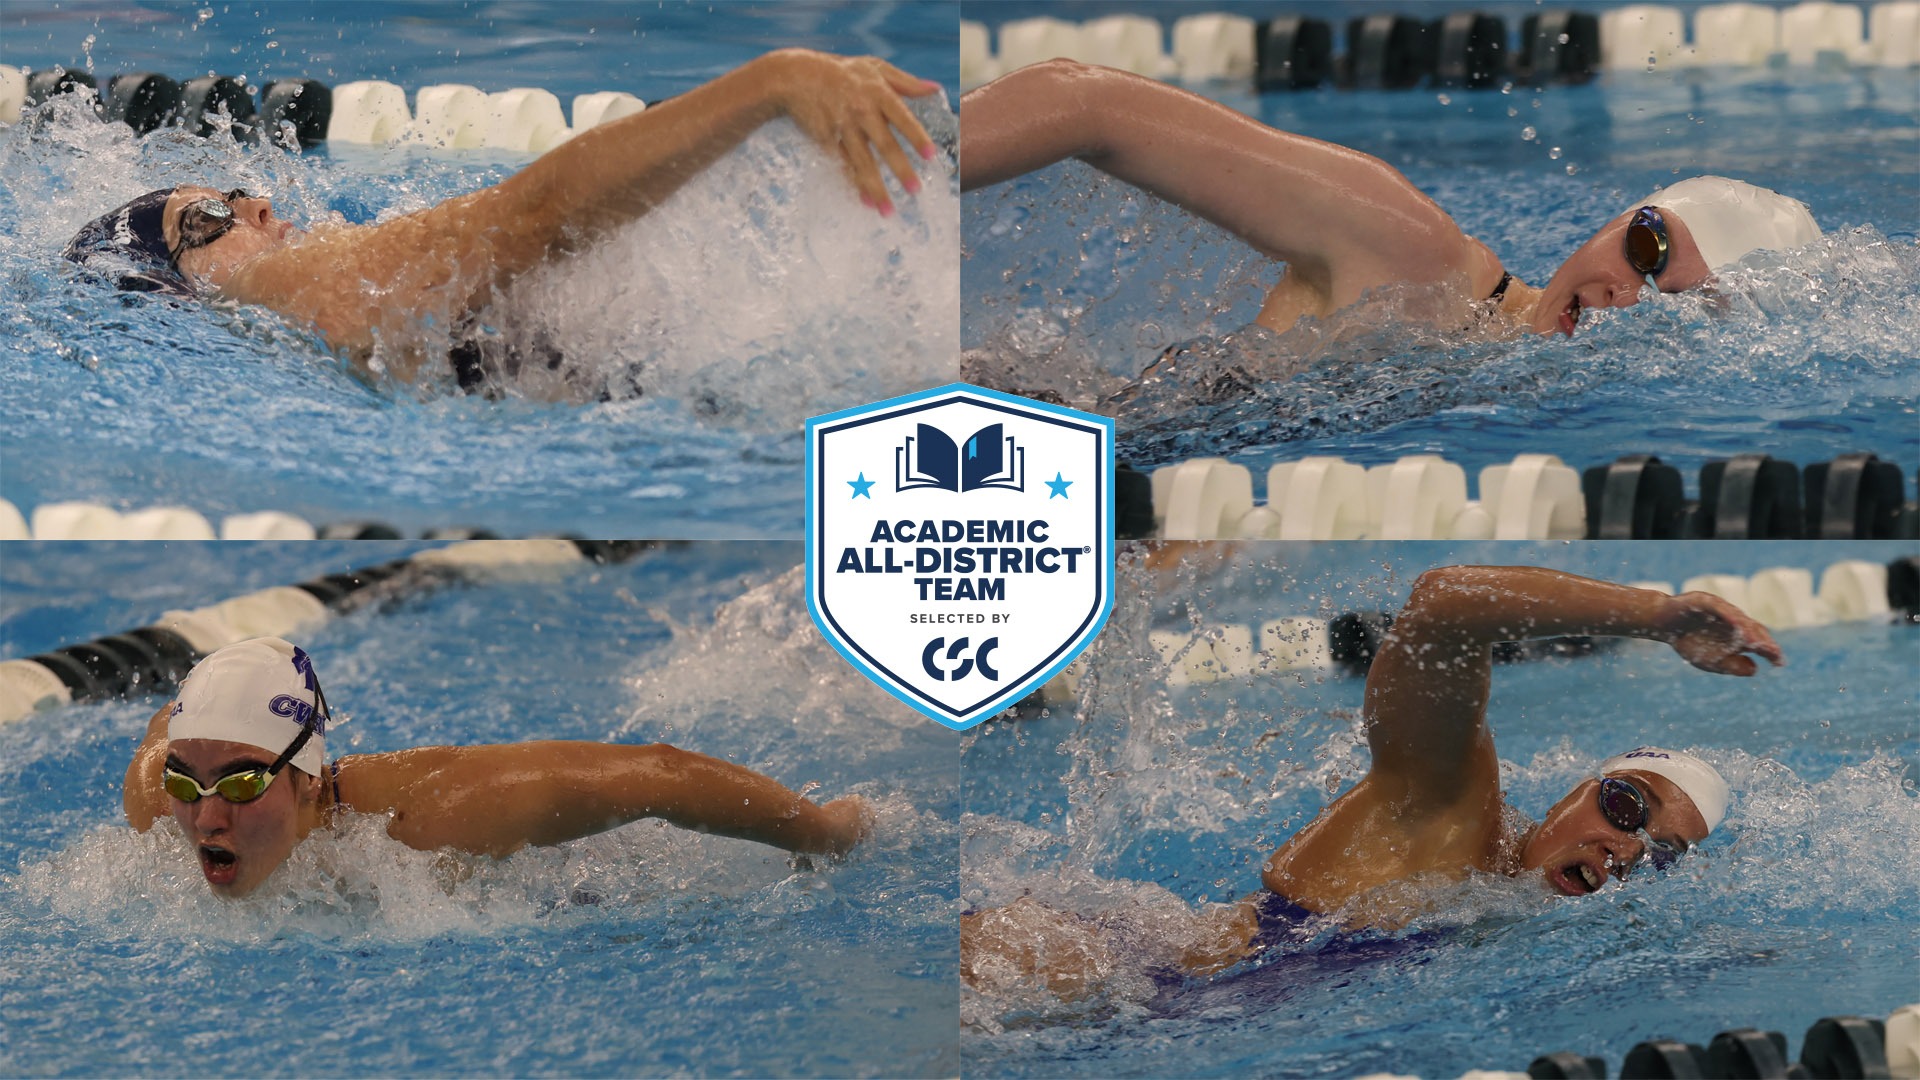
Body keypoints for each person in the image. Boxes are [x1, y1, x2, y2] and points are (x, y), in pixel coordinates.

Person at [961, 565, 1784, 994]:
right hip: (1077, 972)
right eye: (1624, 805)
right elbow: (1443, 605)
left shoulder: (1507, 899)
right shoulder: (1449, 805)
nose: (1623, 848)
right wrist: (1651, 614)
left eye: (1658, 854)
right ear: (1575, 790)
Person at [63, 49, 941, 389]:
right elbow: (535, 214)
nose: (258, 204)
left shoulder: (293, 325)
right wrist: (772, 82)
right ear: (176, 285)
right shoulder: (281, 284)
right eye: (210, 214)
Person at [961, 61, 1821, 394]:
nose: (1618, 290)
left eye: (1672, 299)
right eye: (1645, 244)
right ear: (1615, 216)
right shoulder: (1412, 253)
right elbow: (1091, 102)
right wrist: (915, 166)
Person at [122, 637, 870, 897]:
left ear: (308, 777)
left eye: (246, 782)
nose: (207, 817)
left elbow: (660, 774)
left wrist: (828, 832)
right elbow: (168, 731)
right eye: (192, 781)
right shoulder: (161, 799)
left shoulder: (433, 817)